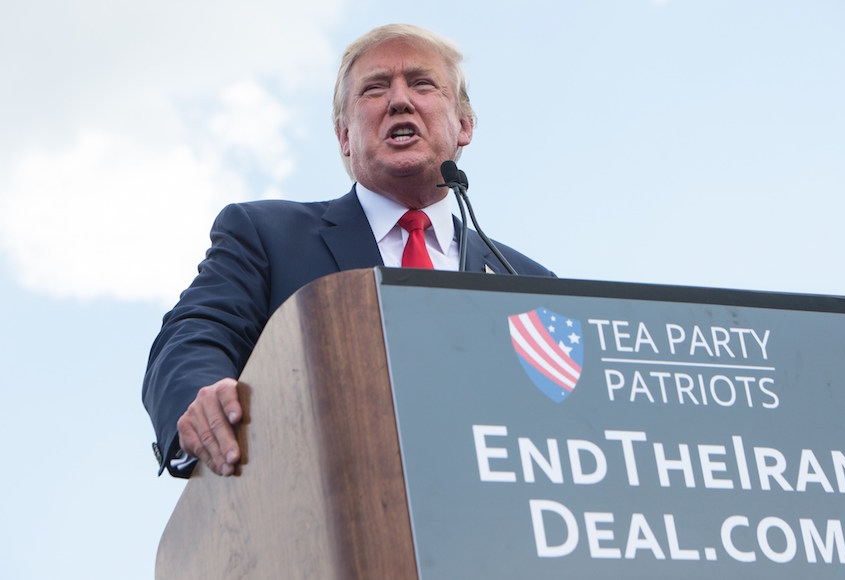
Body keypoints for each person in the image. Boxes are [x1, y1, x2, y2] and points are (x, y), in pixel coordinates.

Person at [142, 23, 554, 478]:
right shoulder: (266, 235)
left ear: (464, 126)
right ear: (343, 136)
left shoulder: (529, 283)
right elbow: (198, 331)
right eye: (375, 89)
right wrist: (202, 396)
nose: (400, 100)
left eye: (421, 83)